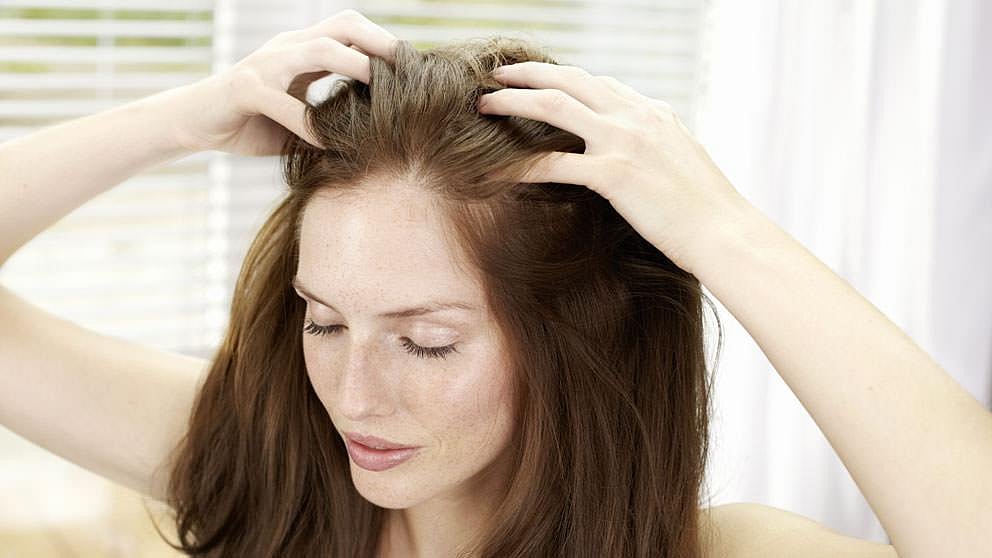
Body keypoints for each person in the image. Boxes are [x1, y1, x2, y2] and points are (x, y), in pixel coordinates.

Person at [0, 8, 987, 558]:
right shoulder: (274, 472)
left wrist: (722, 233)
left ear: (570, 338)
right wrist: (183, 118)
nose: (352, 394)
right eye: (324, 321)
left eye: (425, 340)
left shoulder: (720, 555)